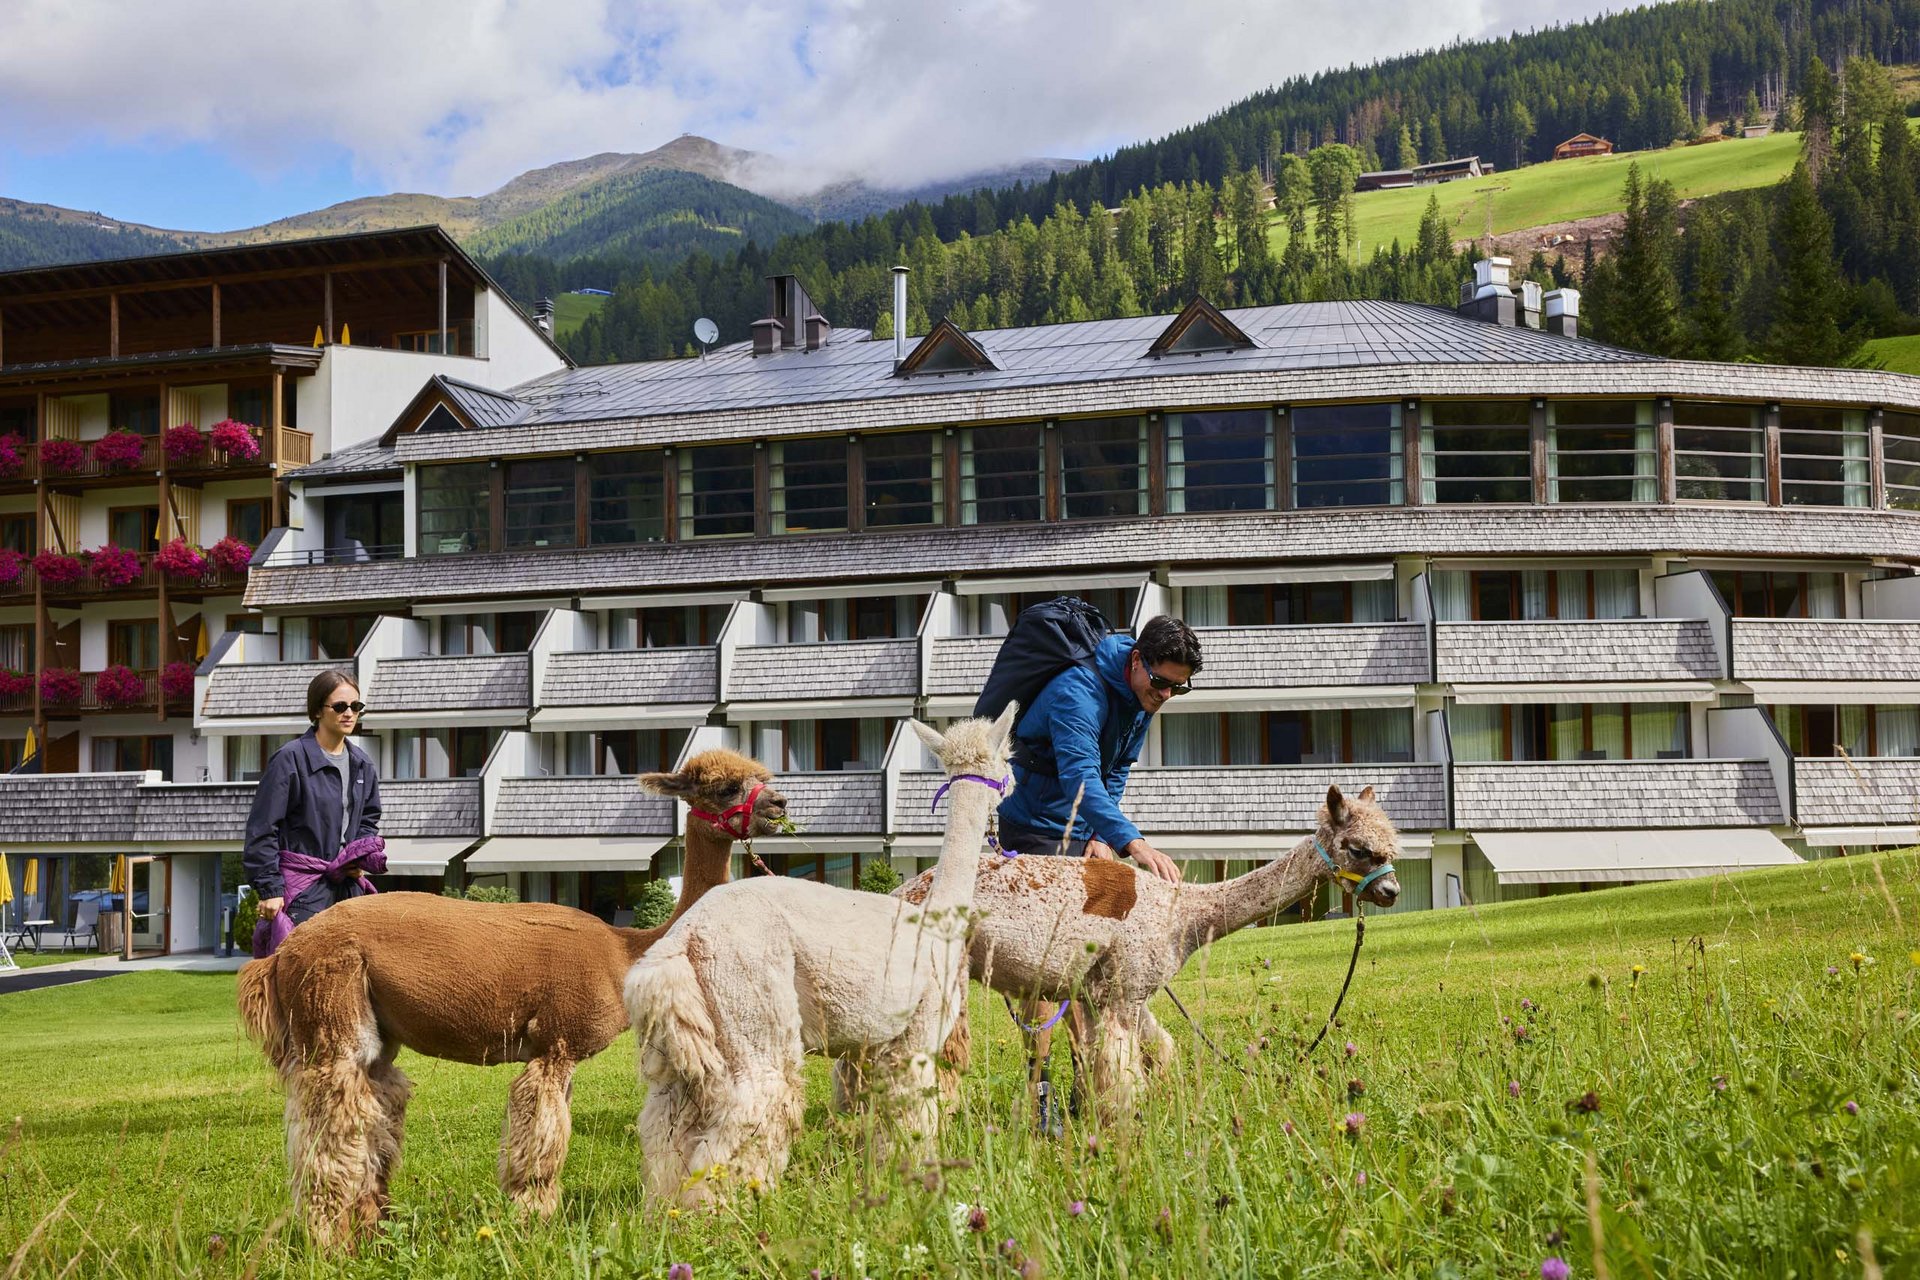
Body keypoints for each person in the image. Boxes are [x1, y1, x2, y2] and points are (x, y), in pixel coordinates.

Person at [992, 613, 1201, 1131]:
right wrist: (1133, 842)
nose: (1167, 696)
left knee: (1097, 959)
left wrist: (1103, 838)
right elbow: (1082, 773)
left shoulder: (1144, 696)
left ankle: (1092, 1089)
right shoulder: (1076, 692)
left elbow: (1116, 771)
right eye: (1161, 682)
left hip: (1086, 826)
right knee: (1044, 969)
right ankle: (1039, 1097)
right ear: (1136, 661)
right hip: (1033, 828)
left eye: (1180, 687)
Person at [244, 669, 383, 933]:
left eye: (356, 706)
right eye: (340, 706)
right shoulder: (290, 759)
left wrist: (357, 857)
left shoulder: (362, 764)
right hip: (302, 891)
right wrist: (270, 889)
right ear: (318, 710)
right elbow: (262, 829)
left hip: (348, 888)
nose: (349, 713)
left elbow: (368, 819)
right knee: (302, 972)